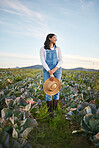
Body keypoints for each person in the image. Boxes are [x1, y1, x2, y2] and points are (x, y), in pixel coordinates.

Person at [40, 33, 63, 113]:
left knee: (56, 89)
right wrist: (50, 71)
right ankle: (49, 110)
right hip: (47, 70)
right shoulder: (43, 49)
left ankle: (55, 109)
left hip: (57, 70)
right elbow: (43, 61)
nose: (56, 39)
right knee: (48, 89)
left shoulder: (58, 48)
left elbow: (61, 60)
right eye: (54, 38)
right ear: (49, 38)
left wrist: (54, 69)